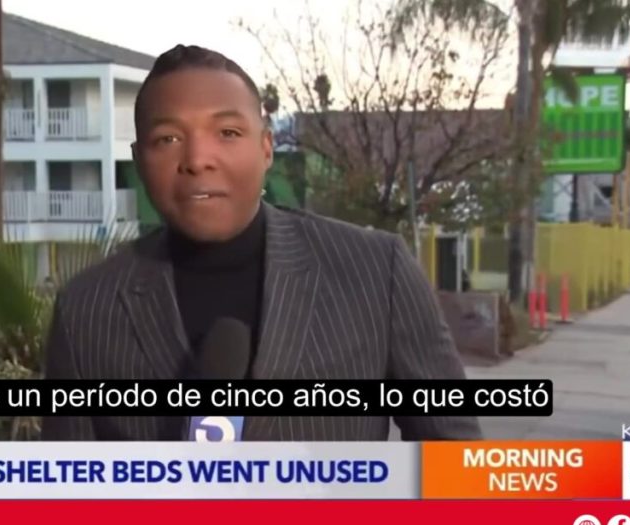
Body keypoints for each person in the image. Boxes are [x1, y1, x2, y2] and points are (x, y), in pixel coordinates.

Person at [41, 44, 481, 441]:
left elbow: (457, 463)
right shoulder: (86, 309)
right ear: (139, 161)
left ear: (266, 148)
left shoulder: (376, 272)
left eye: (227, 133)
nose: (197, 160)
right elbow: (70, 491)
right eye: (168, 139)